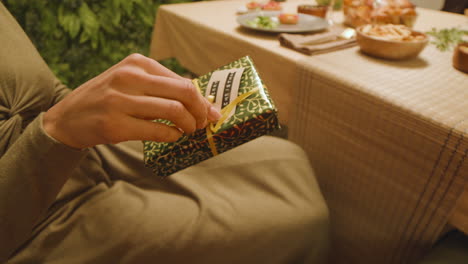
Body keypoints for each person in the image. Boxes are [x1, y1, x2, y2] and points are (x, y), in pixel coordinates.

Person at [0, 3, 329, 264]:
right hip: (30, 212)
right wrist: (58, 130)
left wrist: (89, 105)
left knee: (287, 158)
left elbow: (35, 81)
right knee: (299, 218)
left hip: (83, 151)